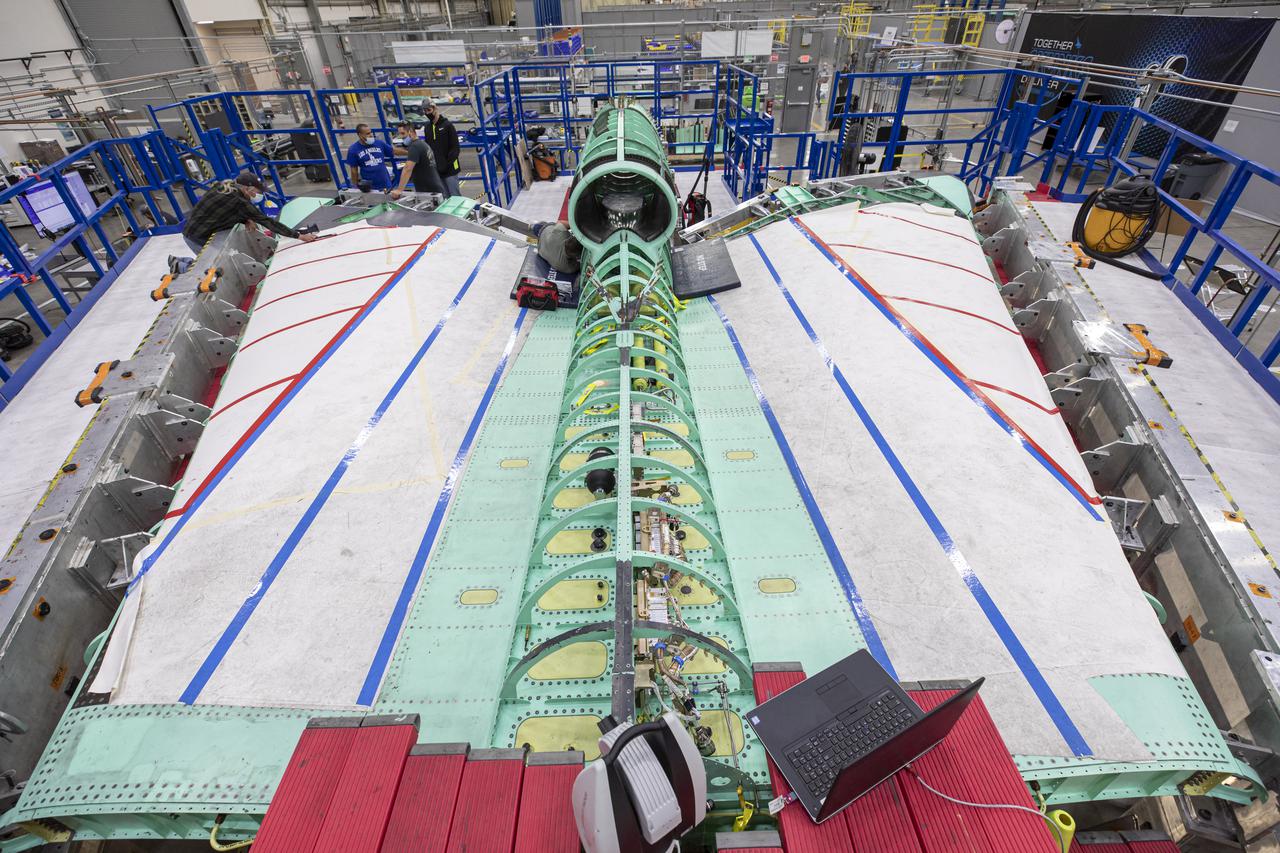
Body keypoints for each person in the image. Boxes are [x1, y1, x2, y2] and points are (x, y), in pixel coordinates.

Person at [172, 173, 315, 270]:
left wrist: (246, 219)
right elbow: (268, 222)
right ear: (248, 189)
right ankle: (182, 266)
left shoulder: (225, 187)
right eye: (258, 192)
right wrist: (299, 236)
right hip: (196, 236)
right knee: (220, 270)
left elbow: (226, 211)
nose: (259, 196)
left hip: (201, 229)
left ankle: (183, 262)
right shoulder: (238, 201)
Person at [390, 121, 446, 199]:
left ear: (411, 132)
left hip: (429, 192)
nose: (401, 137)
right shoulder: (422, 144)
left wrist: (399, 190)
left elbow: (407, 168)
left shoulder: (415, 147)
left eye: (403, 133)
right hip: (434, 188)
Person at [421, 98, 463, 197]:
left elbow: (455, 148)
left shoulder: (448, 126)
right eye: (425, 111)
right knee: (444, 198)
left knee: (455, 196)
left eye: (429, 110)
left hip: (451, 169)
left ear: (435, 109)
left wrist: (446, 164)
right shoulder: (427, 128)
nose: (427, 113)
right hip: (437, 170)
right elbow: (428, 148)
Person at [345, 123, 394, 192]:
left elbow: (392, 151)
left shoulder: (379, 143)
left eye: (370, 132)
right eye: (367, 134)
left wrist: (409, 151)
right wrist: (355, 186)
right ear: (360, 135)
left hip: (385, 183)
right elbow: (354, 170)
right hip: (370, 187)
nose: (370, 135)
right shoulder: (353, 149)